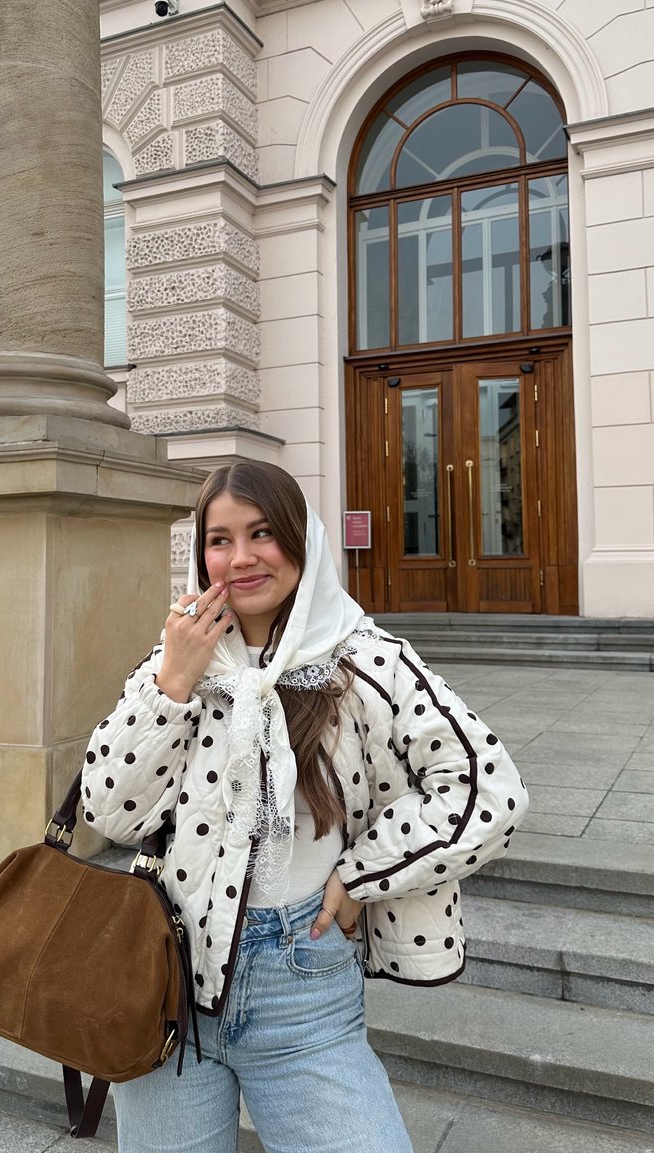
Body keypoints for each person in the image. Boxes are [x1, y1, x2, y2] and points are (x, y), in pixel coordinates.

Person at [81, 460, 528, 1153]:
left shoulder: (363, 661)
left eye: (262, 532)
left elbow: (487, 788)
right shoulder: (179, 658)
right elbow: (107, 807)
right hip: (168, 982)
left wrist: (361, 873)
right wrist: (171, 683)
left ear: (302, 538)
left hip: (302, 979)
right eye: (219, 539)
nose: (240, 557)